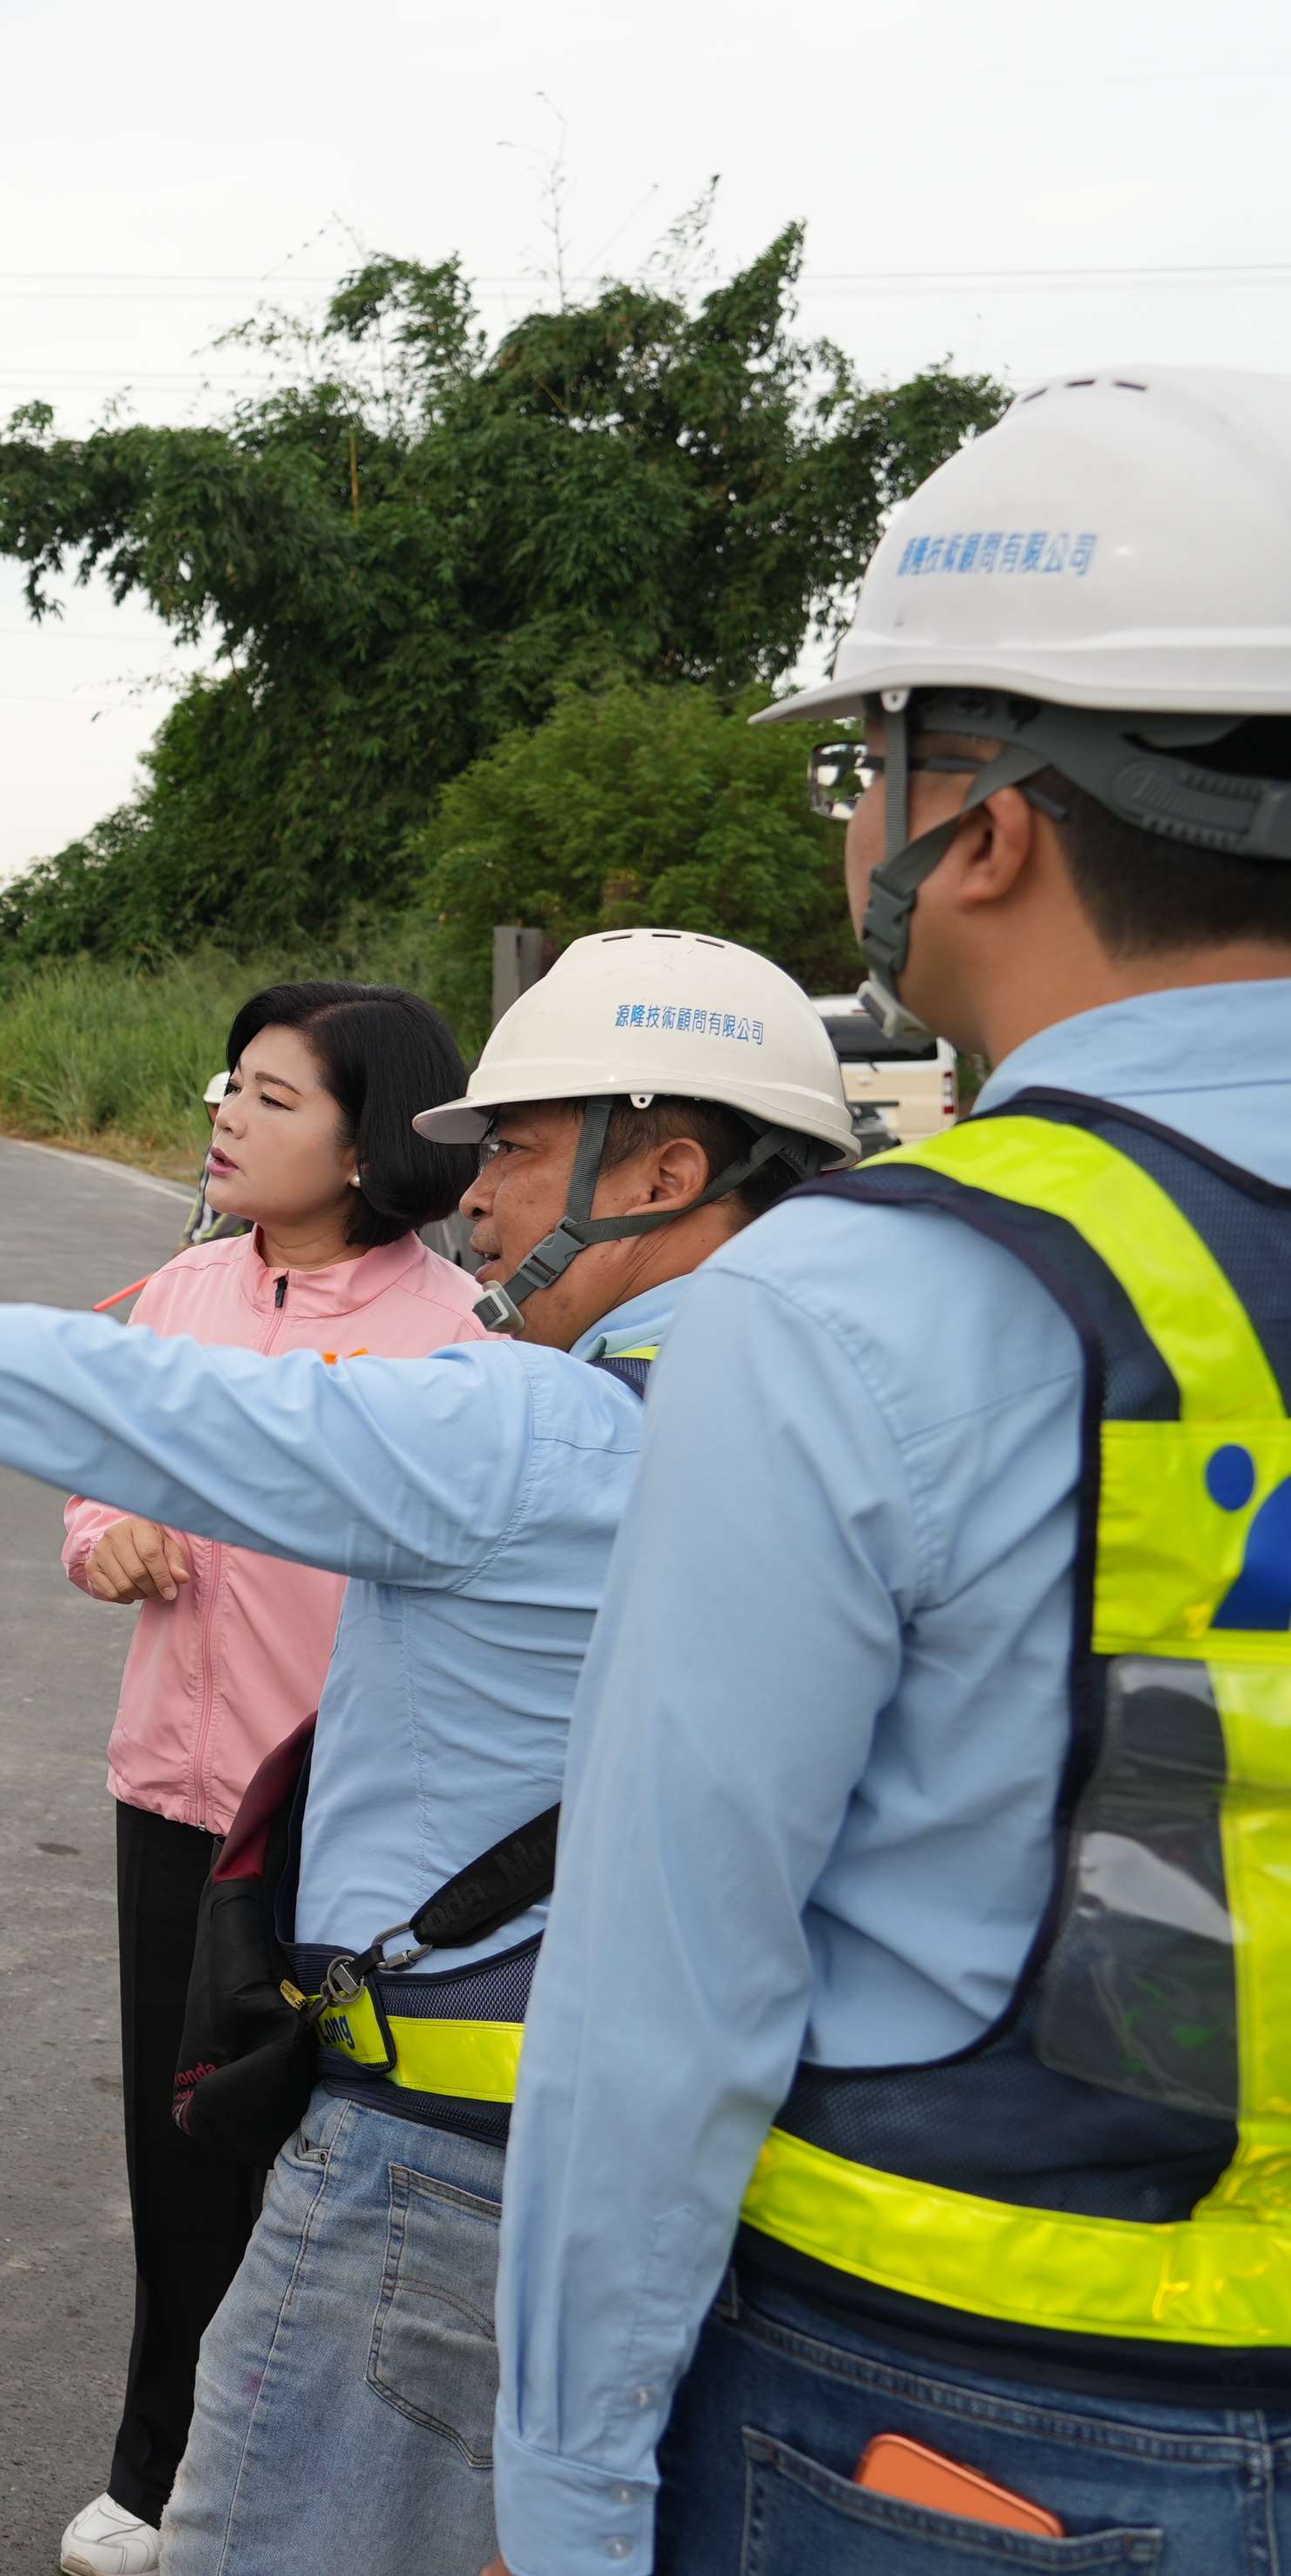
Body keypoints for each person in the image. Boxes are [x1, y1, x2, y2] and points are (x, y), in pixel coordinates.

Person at [0, 931, 857, 2576]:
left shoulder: (531, 1425)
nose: (484, 1201)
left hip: (437, 2161)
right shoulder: (843, 1417)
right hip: (674, 2141)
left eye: (524, 1150)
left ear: (668, 1166)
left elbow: (139, 1407)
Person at [487, 372, 1291, 2574]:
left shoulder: (853, 1306)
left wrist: (564, 2494)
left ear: (991, 819)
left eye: (873, 760)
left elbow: (666, 1989)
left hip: (970, 2415)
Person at [57, 983, 489, 2576]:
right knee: (178, 2151)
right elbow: (95, 1477)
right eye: (226, 1086)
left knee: (348, 2167)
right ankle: (156, 2473)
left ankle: (327, 2497)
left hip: (357, 1823)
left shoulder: (453, 1337)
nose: (226, 1117)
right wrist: (108, 1539)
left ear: (370, 1144)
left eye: (271, 1096)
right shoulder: (177, 1291)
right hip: (175, 1796)